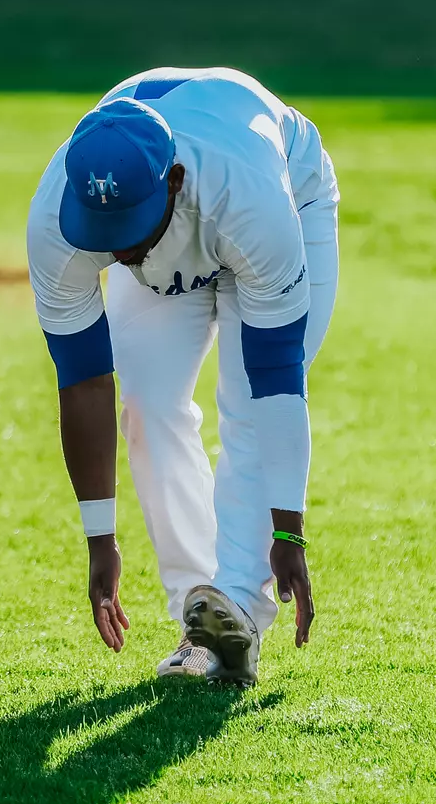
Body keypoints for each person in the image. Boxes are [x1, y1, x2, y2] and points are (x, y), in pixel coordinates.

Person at [27, 67, 339, 686]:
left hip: (284, 200)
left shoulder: (250, 200)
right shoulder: (62, 220)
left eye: (126, 231)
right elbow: (85, 381)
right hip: (183, 220)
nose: (117, 251)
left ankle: (239, 617)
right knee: (145, 409)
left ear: (172, 182)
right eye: (103, 234)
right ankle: (202, 618)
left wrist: (289, 531)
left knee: (246, 402)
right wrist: (99, 540)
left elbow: (275, 377)